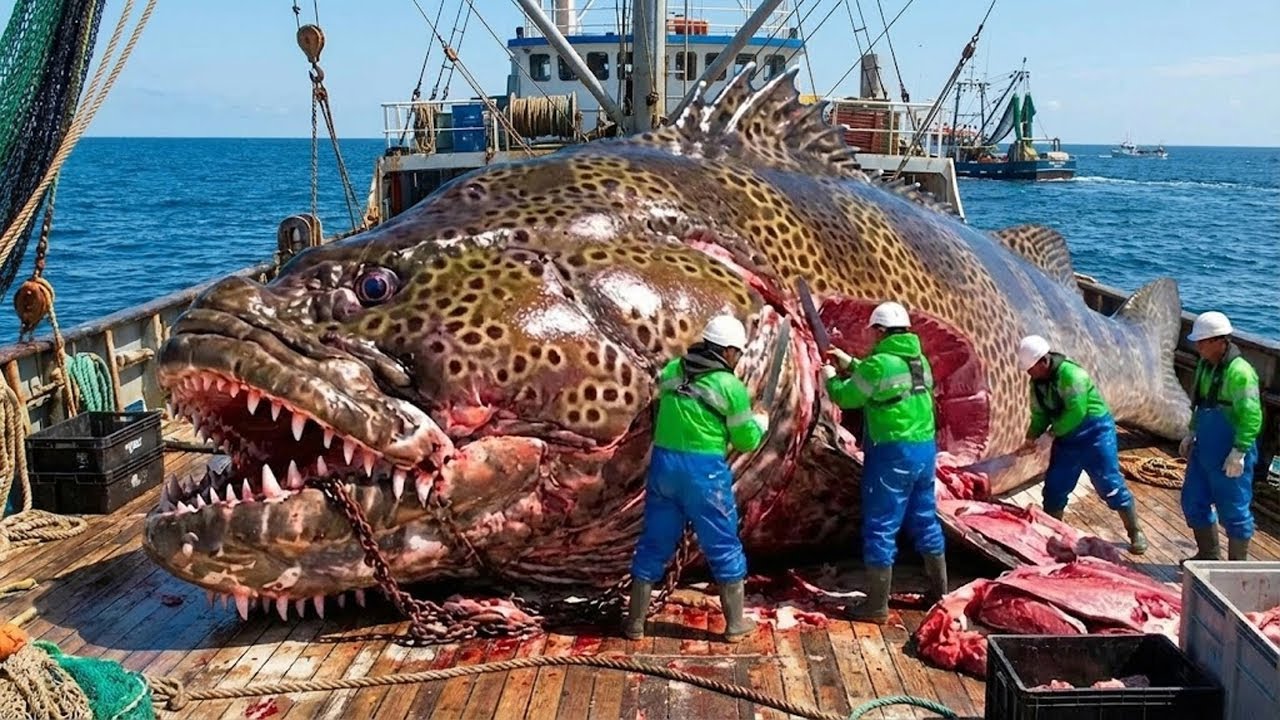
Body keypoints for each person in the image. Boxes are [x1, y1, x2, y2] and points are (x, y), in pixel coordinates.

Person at [623, 314, 769, 642]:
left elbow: (661, 401)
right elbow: (745, 440)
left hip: (664, 467)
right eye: (737, 353)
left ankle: (635, 624)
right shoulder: (730, 386)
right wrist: (760, 423)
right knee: (723, 544)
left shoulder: (673, 369)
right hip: (704, 474)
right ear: (729, 351)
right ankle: (735, 625)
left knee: (653, 544)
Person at [823, 301, 947, 624]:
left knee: (881, 525)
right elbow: (886, 380)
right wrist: (851, 362)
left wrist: (830, 377)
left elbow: (846, 397)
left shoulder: (878, 364)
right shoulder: (918, 360)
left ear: (880, 331)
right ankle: (939, 594)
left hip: (892, 453)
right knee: (925, 520)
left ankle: (876, 606)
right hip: (924, 451)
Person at [1015, 335, 1148, 554]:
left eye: (1030, 368)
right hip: (1067, 440)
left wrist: (1051, 434)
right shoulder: (1036, 384)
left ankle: (1135, 532)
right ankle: (1052, 533)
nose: (1029, 373)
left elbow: (1076, 411)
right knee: (1055, 488)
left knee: (1110, 485)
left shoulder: (1072, 375)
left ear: (1043, 361)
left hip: (1095, 435)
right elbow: (1039, 414)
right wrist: (1031, 437)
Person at [1179, 311, 1262, 562]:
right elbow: (1201, 404)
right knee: (1193, 500)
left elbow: (1252, 416)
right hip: (1204, 448)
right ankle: (1208, 556)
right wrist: (1192, 432)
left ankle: (1237, 570)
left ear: (1220, 341)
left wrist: (1239, 451)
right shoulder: (1205, 366)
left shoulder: (1241, 373)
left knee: (1234, 510)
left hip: (1229, 452)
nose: (1198, 347)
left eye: (1202, 342)